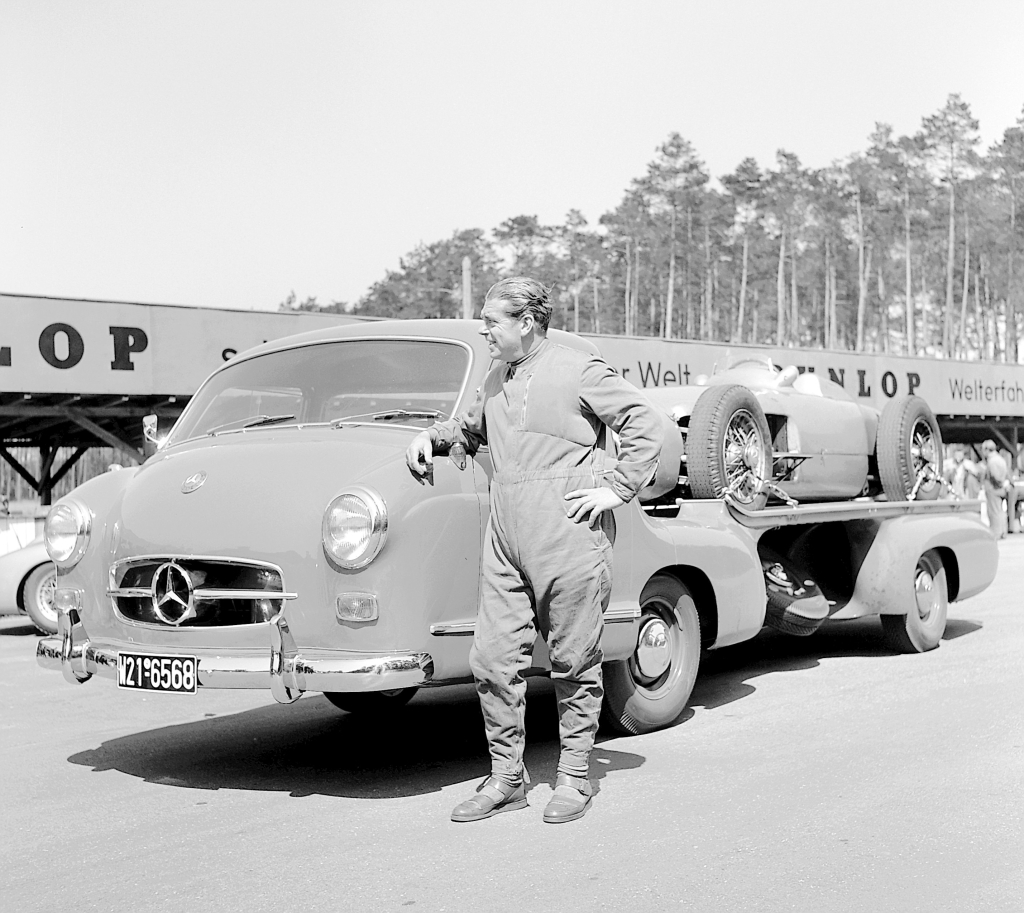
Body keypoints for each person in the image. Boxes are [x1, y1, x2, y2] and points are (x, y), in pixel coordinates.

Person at [405, 277, 662, 824]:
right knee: (492, 661)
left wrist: (617, 487)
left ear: (525, 322)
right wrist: (434, 436)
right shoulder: (496, 378)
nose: (484, 330)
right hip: (506, 540)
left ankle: (573, 777)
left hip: (569, 536)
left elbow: (646, 425)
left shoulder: (577, 369)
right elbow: (471, 431)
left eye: (492, 320)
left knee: (573, 660)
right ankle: (506, 779)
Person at [979, 439, 1019, 538]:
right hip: (1001, 489)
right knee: (1000, 511)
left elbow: (995, 476)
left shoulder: (992, 461)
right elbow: (1007, 473)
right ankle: (1003, 531)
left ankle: (996, 533)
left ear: (987, 450)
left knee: (994, 511)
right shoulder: (1000, 459)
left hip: (994, 489)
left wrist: (1002, 484)